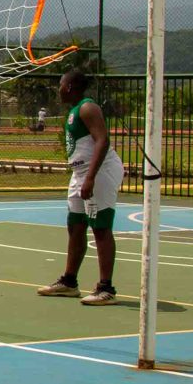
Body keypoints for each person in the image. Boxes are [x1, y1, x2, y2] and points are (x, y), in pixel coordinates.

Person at [39, 68, 125, 304]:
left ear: (68, 87)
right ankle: (69, 282)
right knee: (75, 225)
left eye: (60, 84)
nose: (58, 89)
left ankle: (106, 288)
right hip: (80, 172)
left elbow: (102, 140)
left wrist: (91, 178)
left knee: (100, 227)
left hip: (98, 172)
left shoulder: (88, 108)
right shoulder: (75, 110)